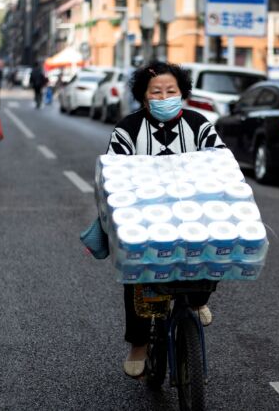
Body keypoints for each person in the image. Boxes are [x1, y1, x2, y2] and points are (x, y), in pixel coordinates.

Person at [106, 61, 226, 378]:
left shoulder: (199, 124)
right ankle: (139, 345)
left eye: (171, 91)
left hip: (192, 214)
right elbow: (114, 171)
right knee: (139, 278)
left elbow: (220, 157)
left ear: (182, 93)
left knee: (211, 247)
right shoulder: (127, 129)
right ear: (144, 97)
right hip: (145, 218)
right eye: (156, 92)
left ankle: (198, 299)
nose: (164, 96)